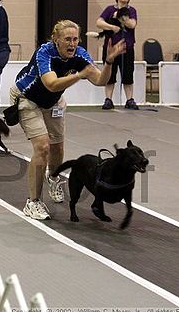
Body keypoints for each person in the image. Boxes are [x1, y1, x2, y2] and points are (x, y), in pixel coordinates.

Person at [9, 19, 126, 220]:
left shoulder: (80, 54)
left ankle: (53, 177)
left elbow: (100, 80)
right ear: (56, 39)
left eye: (75, 39)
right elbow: (51, 83)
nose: (72, 44)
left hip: (53, 102)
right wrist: (80, 74)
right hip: (27, 98)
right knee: (42, 146)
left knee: (58, 147)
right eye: (67, 39)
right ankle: (33, 202)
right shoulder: (44, 53)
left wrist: (108, 62)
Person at [96, 0, 138, 110]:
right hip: (111, 47)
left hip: (127, 47)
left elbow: (132, 24)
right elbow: (99, 22)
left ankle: (129, 99)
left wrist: (122, 18)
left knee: (128, 74)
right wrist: (112, 27)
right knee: (110, 74)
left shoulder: (131, 11)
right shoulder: (109, 9)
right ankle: (108, 99)